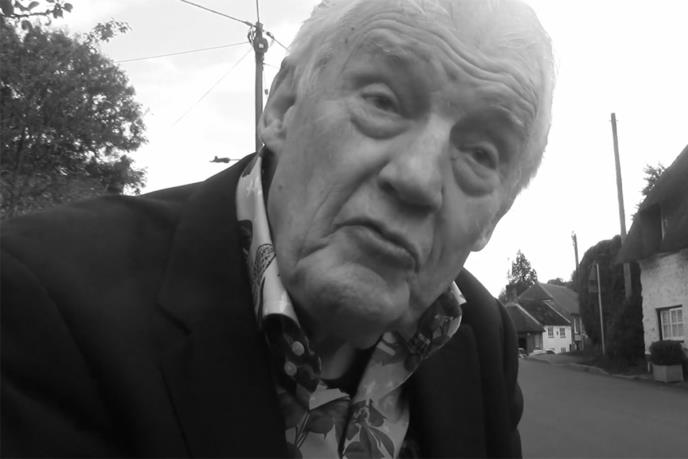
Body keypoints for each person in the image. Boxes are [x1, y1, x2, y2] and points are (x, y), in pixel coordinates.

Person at [0, 0, 555, 457]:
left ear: (496, 215)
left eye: (480, 154)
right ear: (283, 106)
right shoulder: (41, 300)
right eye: (383, 101)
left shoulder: (484, 337)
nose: (418, 179)